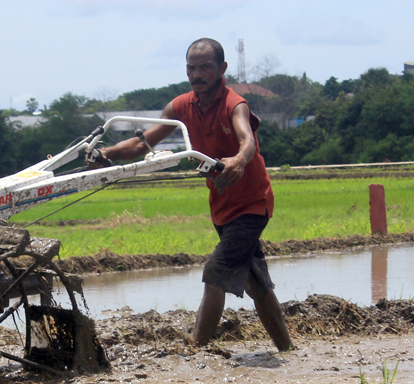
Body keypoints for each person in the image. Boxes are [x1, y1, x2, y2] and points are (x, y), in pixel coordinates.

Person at [94, 37, 292, 351]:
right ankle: (287, 350)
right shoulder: (180, 107)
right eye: (191, 68)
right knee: (258, 284)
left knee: (215, 272)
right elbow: (141, 143)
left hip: (252, 203)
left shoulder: (234, 104)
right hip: (222, 205)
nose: (197, 74)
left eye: (205, 67)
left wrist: (239, 160)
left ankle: (197, 352)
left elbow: (248, 141)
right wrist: (106, 152)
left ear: (222, 69)